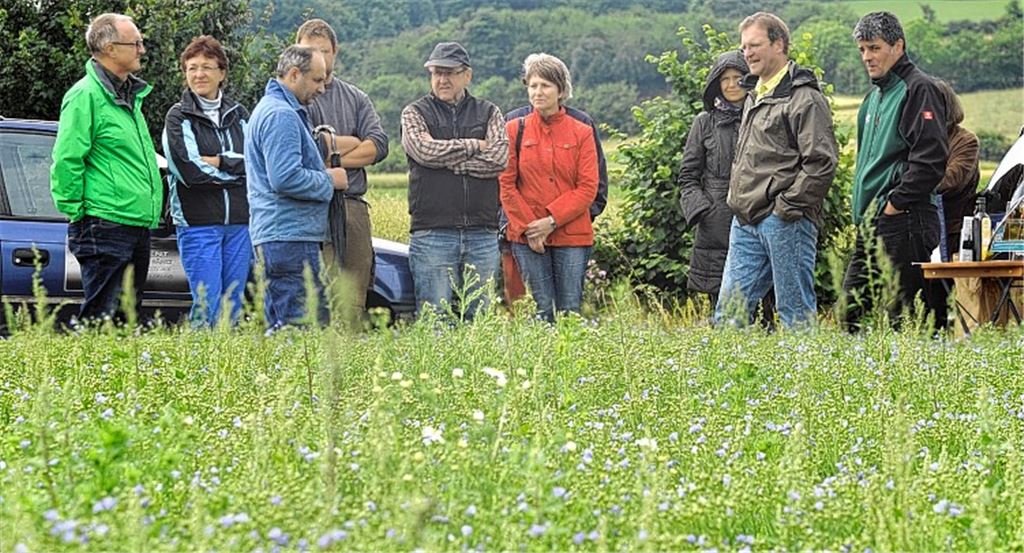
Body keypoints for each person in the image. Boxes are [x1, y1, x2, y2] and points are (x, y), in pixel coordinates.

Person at [715, 12, 838, 328]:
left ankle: (808, 377)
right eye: (744, 47)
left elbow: (821, 162)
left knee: (795, 315)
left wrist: (785, 208)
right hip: (745, 219)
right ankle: (726, 378)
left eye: (754, 45)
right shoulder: (755, 94)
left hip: (785, 221)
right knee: (729, 315)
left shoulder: (804, 98)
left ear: (779, 44)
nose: (747, 53)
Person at [50, 13, 163, 324]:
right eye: (136, 43)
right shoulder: (85, 96)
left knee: (126, 319)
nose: (142, 49)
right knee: (102, 319)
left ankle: (118, 373)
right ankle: (86, 372)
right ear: (110, 48)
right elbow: (67, 159)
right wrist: (77, 211)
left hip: (135, 223)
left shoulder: (130, 96)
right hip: (104, 223)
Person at [842, 12, 949, 330]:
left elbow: (930, 162)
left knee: (906, 320)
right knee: (849, 315)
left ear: (898, 45)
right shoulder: (873, 98)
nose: (867, 57)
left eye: (874, 48)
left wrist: (892, 205)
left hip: (904, 221)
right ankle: (864, 378)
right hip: (872, 225)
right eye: (862, 50)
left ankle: (924, 376)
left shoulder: (919, 89)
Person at [400, 42, 509, 319]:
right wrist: (473, 144)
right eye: (436, 72)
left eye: (449, 72)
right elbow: (424, 151)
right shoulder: (414, 112)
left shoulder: (489, 112)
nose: (442, 79)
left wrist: (450, 162)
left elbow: (498, 159)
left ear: (467, 75)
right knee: (435, 320)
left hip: (482, 232)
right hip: (432, 232)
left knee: (480, 323)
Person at [245, 45, 348, 329]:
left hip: (282, 236)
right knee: (298, 330)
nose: (322, 89)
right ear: (293, 74)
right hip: (288, 237)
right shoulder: (281, 116)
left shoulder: (275, 110)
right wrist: (331, 179)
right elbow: (285, 178)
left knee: (287, 325)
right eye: (317, 80)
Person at [296, 19, 389, 321]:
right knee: (314, 291)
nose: (319, 58)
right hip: (310, 204)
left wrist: (332, 157)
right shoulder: (294, 99)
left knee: (353, 291)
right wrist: (347, 145)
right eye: (310, 51)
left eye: (324, 50)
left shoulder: (356, 97)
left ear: (335, 51)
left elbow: (378, 145)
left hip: (351, 205)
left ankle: (348, 355)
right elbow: (306, 150)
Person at [498, 53, 599, 321]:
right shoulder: (512, 129)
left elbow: (588, 187)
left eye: (545, 85)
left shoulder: (581, 131)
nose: (538, 92)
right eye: (533, 85)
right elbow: (506, 184)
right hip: (526, 235)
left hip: (572, 233)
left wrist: (551, 220)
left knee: (569, 313)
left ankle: (570, 363)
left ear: (561, 90)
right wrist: (531, 228)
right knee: (541, 310)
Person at [162, 36, 251, 327]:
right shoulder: (178, 118)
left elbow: (256, 163)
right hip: (199, 224)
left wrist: (221, 161)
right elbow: (189, 171)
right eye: (192, 68)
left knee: (233, 305)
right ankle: (204, 367)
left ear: (222, 72)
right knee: (207, 305)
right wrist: (237, 172)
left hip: (240, 223)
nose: (199, 74)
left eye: (207, 67)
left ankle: (231, 368)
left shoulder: (240, 116)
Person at [678, 50, 749, 308]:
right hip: (714, 223)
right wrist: (702, 209)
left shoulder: (761, 116)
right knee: (719, 301)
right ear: (716, 84)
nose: (731, 85)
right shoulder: (704, 122)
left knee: (760, 296)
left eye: (738, 77)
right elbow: (688, 175)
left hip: (755, 213)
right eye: (725, 79)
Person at [933, 79, 980, 261]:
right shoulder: (916, 141)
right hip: (917, 229)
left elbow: (953, 180)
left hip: (953, 234)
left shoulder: (965, 141)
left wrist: (913, 185)